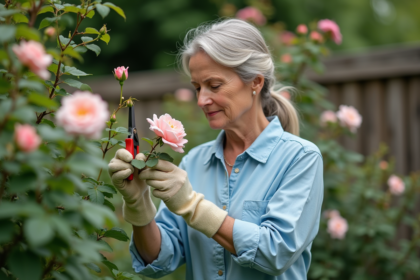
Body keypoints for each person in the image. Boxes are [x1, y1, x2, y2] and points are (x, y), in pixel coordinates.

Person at [108, 19, 324, 280]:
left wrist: (192, 206)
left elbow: (275, 252)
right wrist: (138, 205)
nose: (201, 100)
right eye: (197, 87)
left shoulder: (300, 158)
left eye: (214, 85)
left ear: (255, 82)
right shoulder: (195, 161)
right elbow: (160, 260)